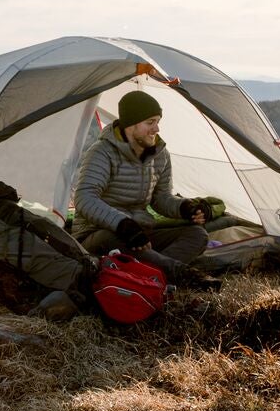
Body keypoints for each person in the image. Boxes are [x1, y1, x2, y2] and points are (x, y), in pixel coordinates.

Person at [69, 89, 215, 285]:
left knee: (197, 234)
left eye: (157, 121)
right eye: (150, 122)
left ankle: (146, 276)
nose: (156, 129)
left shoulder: (160, 155)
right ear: (131, 124)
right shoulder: (102, 152)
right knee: (112, 238)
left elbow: (161, 198)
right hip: (99, 235)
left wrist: (185, 208)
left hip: (140, 235)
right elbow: (84, 199)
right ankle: (181, 274)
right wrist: (122, 224)